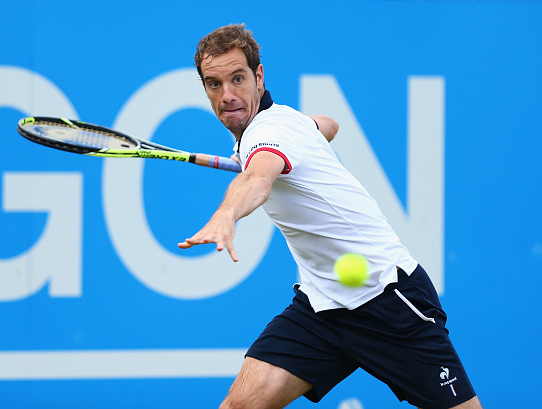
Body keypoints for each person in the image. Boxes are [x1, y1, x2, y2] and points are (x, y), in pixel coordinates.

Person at [179, 24, 482, 409]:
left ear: (258, 76)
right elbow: (329, 125)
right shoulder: (286, 122)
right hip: (321, 307)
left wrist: (227, 214)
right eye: (214, 84)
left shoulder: (266, 134)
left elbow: (257, 179)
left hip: (388, 297)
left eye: (238, 79)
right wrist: (311, 130)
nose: (227, 95)